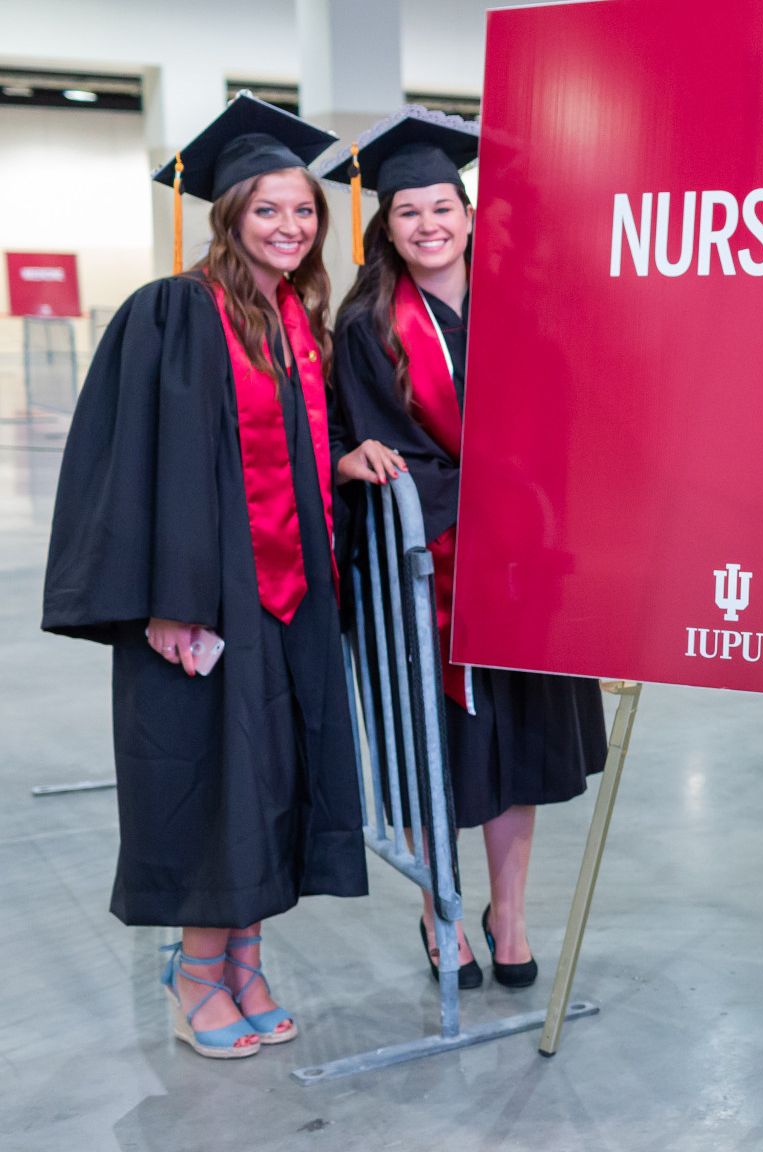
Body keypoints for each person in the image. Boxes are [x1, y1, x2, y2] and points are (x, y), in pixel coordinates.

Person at [41, 92, 391, 1058]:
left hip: (288, 597)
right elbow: (130, 466)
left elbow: (290, 458)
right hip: (203, 595)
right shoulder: (170, 313)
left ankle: (245, 959)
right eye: (268, 209)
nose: (291, 226)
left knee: (269, 773)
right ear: (229, 214)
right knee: (206, 775)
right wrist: (167, 603)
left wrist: (347, 466)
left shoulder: (297, 325)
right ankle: (197, 969)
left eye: (305, 210)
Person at [322, 107, 608, 990]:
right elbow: (377, 445)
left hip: (521, 567)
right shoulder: (366, 323)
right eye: (409, 212)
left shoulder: (522, 302)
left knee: (513, 745)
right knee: (431, 745)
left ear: (470, 213)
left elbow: (565, 421)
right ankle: (437, 910)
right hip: (419, 573)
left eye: (443, 206)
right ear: (388, 225)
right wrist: (482, 491)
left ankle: (509, 914)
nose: (429, 225)